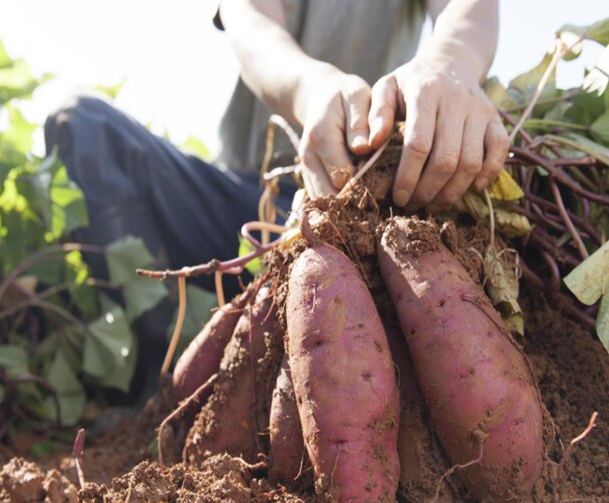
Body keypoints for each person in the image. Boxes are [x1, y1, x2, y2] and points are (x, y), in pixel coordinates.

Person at [44, 0, 507, 401]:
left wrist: (449, 63)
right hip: (249, 201)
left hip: (355, 203)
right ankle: (154, 380)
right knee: (81, 124)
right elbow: (251, 24)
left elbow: (469, 9)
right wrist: (312, 91)